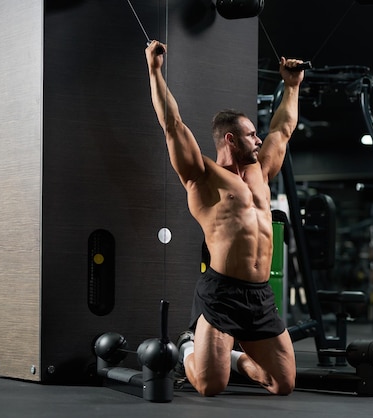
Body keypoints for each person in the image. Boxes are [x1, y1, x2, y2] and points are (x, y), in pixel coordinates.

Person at [145, 40, 305, 396]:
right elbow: (172, 123)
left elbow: (282, 130)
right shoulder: (202, 176)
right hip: (222, 293)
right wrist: (155, 70)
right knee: (209, 387)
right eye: (251, 135)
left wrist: (292, 86)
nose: (259, 139)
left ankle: (236, 358)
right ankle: (188, 345)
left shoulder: (261, 172)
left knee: (282, 385)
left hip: (260, 294)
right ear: (230, 139)